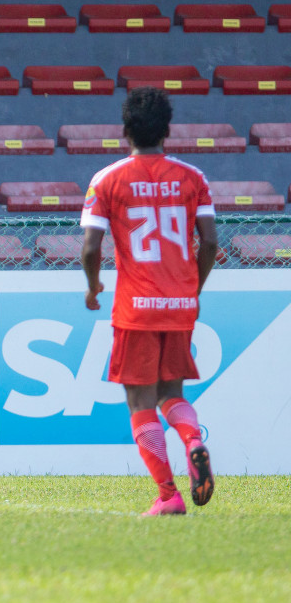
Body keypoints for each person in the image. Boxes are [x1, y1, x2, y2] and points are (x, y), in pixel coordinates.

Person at [81, 87, 217, 516]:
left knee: (140, 403)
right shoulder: (193, 177)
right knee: (172, 394)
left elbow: (90, 248)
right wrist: (192, 289)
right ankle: (193, 439)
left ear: (125, 131)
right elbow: (210, 242)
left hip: (136, 307)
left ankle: (168, 496)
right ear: (168, 130)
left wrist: (93, 285)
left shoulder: (108, 179)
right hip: (179, 305)